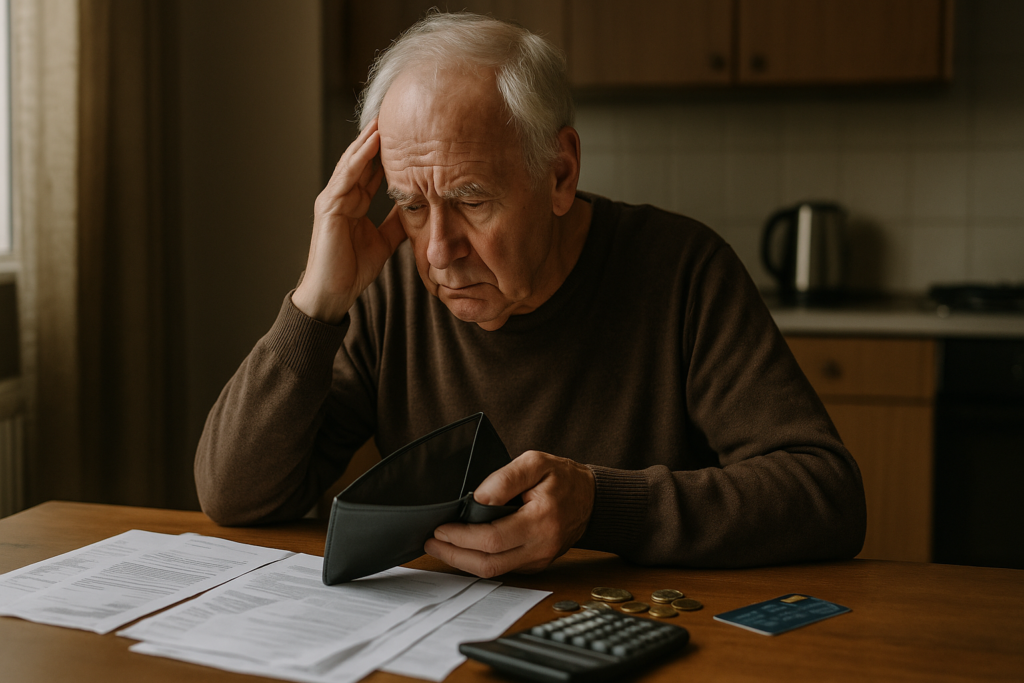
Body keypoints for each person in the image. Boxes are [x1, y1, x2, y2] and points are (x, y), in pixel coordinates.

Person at [195, 12, 866, 578]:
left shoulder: (683, 270)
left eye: (471, 200)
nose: (439, 251)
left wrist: (599, 505)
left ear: (560, 174)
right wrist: (316, 304)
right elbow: (234, 494)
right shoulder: (391, 285)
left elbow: (826, 492)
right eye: (413, 206)